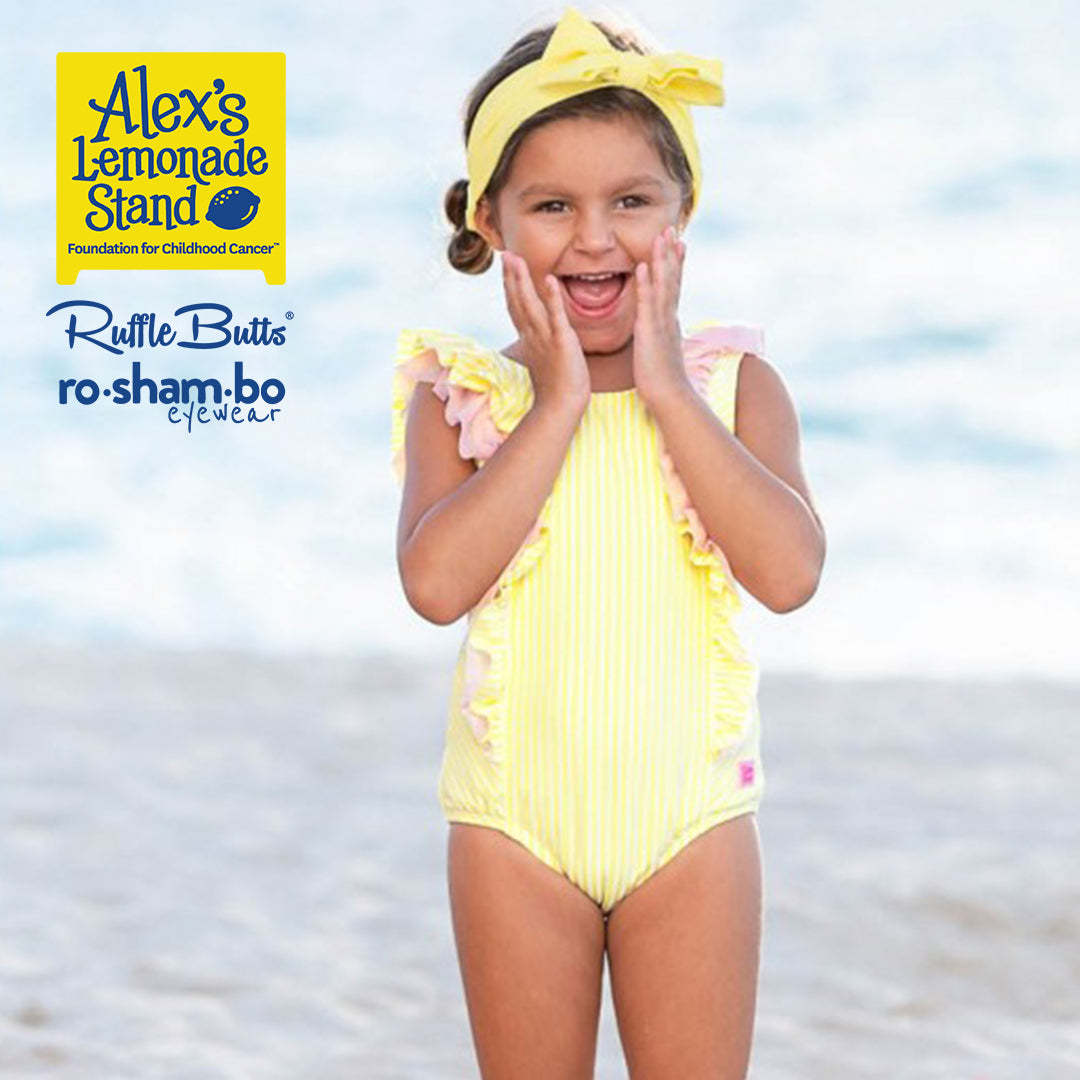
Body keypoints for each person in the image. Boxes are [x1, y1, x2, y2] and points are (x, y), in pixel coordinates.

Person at [391, 7, 826, 1077]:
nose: (595, 238)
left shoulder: (735, 389)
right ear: (490, 221)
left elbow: (789, 574)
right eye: (552, 206)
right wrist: (556, 406)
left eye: (631, 201)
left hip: (691, 829)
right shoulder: (462, 400)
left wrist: (668, 389)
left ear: (684, 211)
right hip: (514, 833)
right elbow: (436, 586)